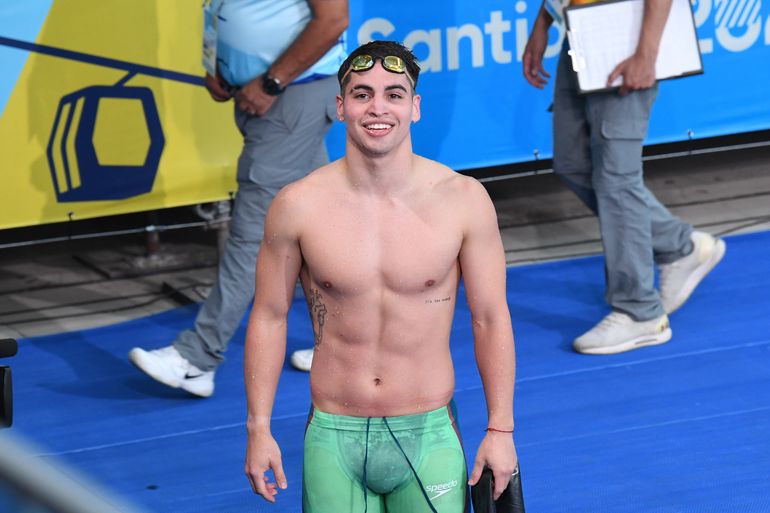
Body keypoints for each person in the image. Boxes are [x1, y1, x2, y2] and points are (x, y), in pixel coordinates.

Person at [243, 41, 518, 512]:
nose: (377, 108)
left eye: (394, 94)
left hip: (429, 433)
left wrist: (500, 429)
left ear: (415, 107)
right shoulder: (297, 206)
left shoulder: (463, 200)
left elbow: (490, 318)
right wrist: (258, 429)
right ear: (340, 107)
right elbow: (269, 317)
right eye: (362, 94)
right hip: (333, 434)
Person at [128, 0, 349, 396]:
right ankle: (349, 346)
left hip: (290, 93)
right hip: (270, 95)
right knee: (320, 230)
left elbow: (333, 19)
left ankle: (196, 359)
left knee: (254, 236)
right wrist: (220, 65)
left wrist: (270, 83)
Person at [522, 0, 725, 355]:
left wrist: (646, 53)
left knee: (617, 179)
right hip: (578, 30)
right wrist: (544, 21)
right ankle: (680, 245)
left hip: (625, 33)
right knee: (573, 163)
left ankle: (640, 311)